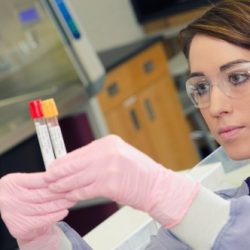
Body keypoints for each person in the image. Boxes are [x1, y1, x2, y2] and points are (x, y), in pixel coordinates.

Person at [1, 0, 250, 249]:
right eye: (202, 88)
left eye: (238, 77)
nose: (215, 107)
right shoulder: (216, 212)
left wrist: (161, 191)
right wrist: (44, 241)